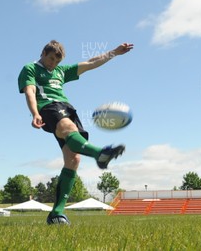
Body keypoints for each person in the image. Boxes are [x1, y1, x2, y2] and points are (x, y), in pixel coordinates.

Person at [18, 40, 134, 225]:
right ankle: (100, 154)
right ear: (43, 53)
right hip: (48, 106)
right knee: (68, 128)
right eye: (50, 59)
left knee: (74, 159)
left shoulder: (60, 71)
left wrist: (115, 52)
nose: (53, 63)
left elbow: (90, 63)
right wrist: (35, 113)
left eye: (56, 61)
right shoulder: (31, 68)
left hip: (67, 108)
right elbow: (30, 91)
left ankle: (56, 213)